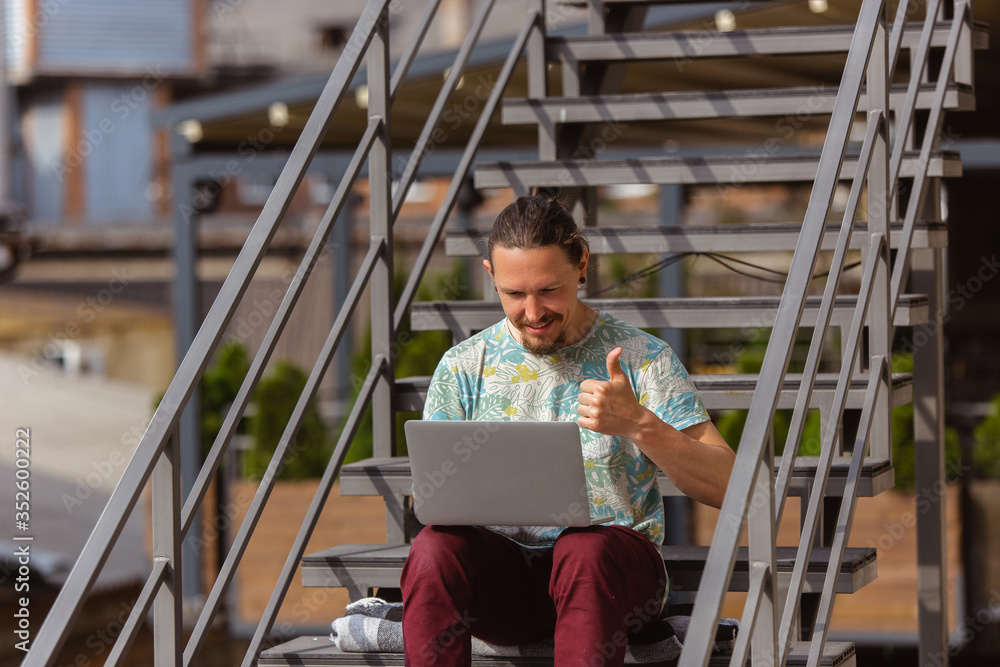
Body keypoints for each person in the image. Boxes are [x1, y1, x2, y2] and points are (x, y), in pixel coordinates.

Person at [400, 196, 734, 666]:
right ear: (490, 276)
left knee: (584, 548)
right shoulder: (463, 366)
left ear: (582, 266)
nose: (533, 312)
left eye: (548, 290)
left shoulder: (642, 357)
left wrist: (639, 424)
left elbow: (728, 485)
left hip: (613, 579)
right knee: (434, 548)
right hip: (508, 585)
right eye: (514, 294)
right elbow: (431, 499)